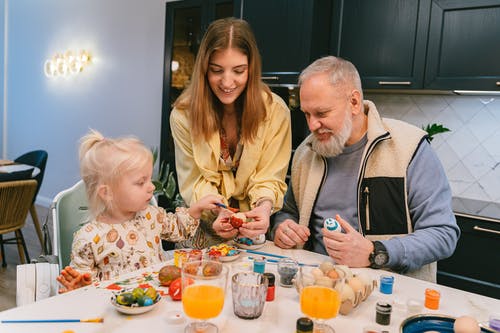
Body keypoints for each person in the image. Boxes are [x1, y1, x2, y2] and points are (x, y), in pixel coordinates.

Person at [272, 56, 460, 282]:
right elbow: (289, 210)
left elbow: (443, 234)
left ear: (354, 102)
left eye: (321, 114)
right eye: (306, 114)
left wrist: (375, 252)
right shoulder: (306, 152)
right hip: (317, 284)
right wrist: (282, 227)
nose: (312, 125)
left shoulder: (410, 148)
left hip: (388, 292)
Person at [170, 17, 291, 248]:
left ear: (251, 69)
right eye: (216, 70)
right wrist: (217, 213)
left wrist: (264, 208)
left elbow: (270, 176)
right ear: (204, 70)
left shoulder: (275, 112)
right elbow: (193, 180)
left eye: (238, 71)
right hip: (201, 230)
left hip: (253, 231)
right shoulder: (184, 115)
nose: (227, 82)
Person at [57, 129, 226, 292]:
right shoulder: (88, 238)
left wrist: (197, 207)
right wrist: (77, 288)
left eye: (150, 179)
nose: (151, 187)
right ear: (107, 193)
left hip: (156, 303)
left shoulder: (151, 216)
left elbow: (179, 229)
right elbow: (79, 284)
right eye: (140, 182)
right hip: (117, 315)